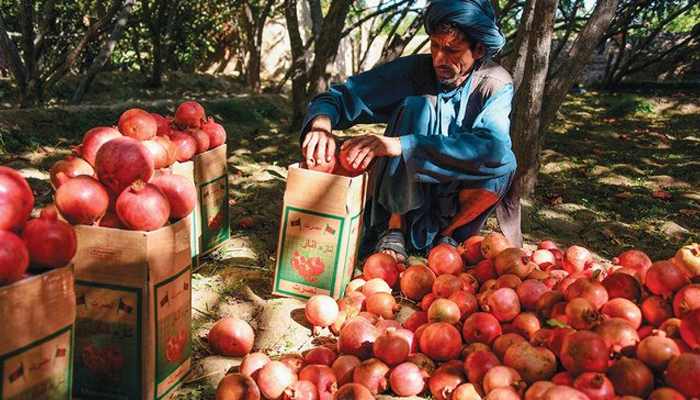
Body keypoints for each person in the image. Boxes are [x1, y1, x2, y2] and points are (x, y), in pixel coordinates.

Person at [300, 0, 516, 263]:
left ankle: (447, 237)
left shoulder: (496, 83)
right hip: (405, 190)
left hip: (455, 194)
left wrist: (401, 145)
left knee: (505, 162)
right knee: (417, 106)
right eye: (435, 45)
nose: (439, 58)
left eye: (451, 50)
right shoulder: (416, 70)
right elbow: (344, 95)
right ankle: (394, 228)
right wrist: (321, 124)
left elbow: (492, 148)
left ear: (479, 49)